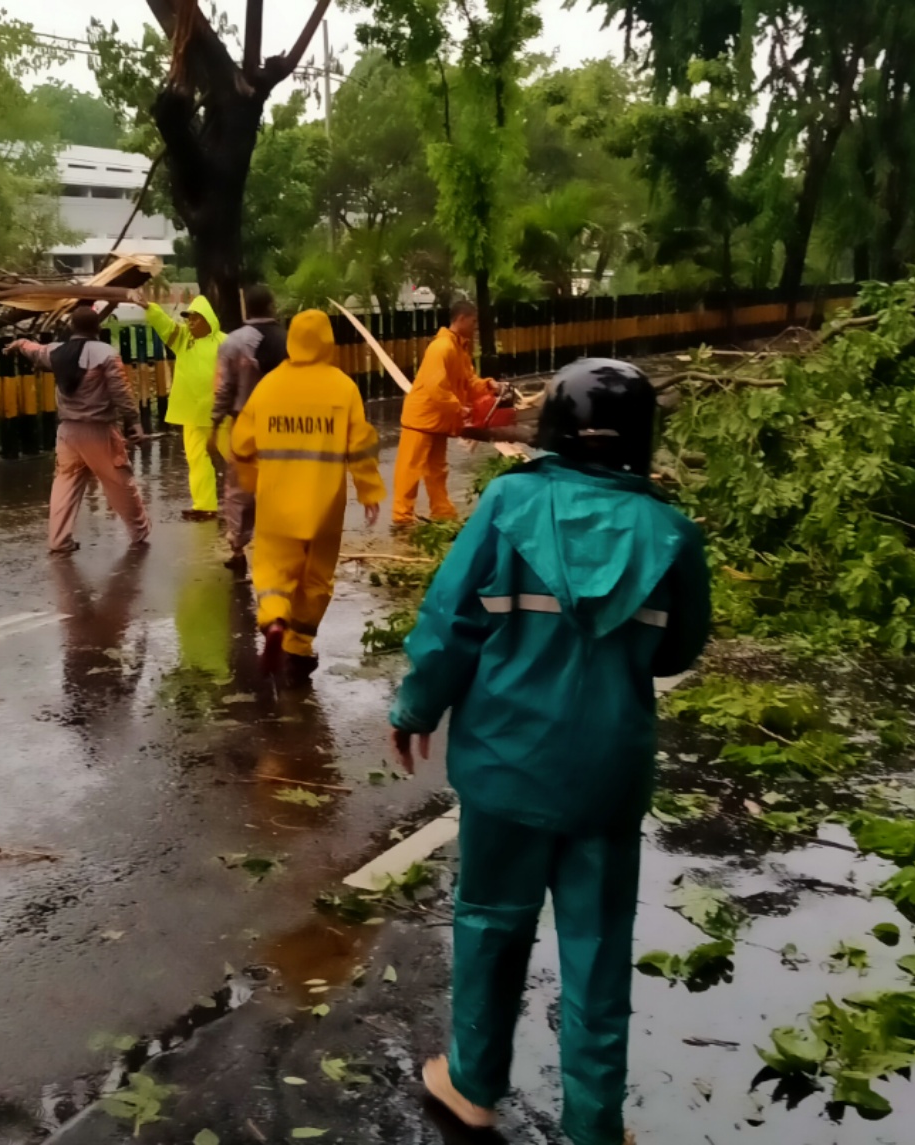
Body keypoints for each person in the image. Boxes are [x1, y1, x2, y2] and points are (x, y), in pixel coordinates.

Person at [389, 357, 709, 1145]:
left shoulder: (507, 504)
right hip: (607, 773)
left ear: (553, 429)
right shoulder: (671, 533)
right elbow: (676, 653)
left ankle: (471, 1083)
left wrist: (415, 704)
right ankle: (596, 1123)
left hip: (505, 763)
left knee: (492, 922)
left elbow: (451, 620)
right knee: (598, 944)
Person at [230, 308, 385, 685]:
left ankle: (274, 619)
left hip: (277, 503)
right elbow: (361, 446)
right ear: (328, 341)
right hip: (324, 506)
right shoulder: (342, 387)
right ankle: (299, 649)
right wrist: (369, 491)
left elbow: (240, 444)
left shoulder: (269, 386)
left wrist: (250, 479)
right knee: (316, 580)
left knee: (271, 571)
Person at [7, 305, 153, 555]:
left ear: (72, 327)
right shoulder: (106, 354)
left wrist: (20, 343)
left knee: (65, 484)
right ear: (98, 328)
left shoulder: (55, 352)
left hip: (67, 432)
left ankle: (58, 540)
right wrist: (135, 423)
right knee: (119, 481)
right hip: (98, 431)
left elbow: (34, 351)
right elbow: (121, 393)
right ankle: (139, 532)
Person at [394, 299, 498, 526]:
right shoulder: (441, 348)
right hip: (421, 418)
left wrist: (489, 385)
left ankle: (442, 513)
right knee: (410, 471)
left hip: (438, 419)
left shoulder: (460, 348)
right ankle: (401, 518)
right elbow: (435, 386)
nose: (475, 326)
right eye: (473, 321)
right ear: (461, 319)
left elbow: (468, 382)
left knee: (437, 470)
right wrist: (457, 408)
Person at [212, 284, 288, 569]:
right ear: (271, 306)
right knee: (280, 484)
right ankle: (281, 545)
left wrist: (215, 422)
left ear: (248, 309)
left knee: (239, 488)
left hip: (245, 425)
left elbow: (224, 388)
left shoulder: (232, 342)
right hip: (284, 426)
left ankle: (238, 550)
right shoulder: (288, 340)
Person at [146, 294, 226, 519]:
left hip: (221, 413)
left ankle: (265, 496)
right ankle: (204, 505)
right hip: (192, 414)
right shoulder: (183, 339)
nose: (190, 323)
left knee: (240, 457)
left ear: (208, 320)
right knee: (197, 460)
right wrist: (149, 307)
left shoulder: (226, 342)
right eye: (188, 319)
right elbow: (164, 325)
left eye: (195, 319)